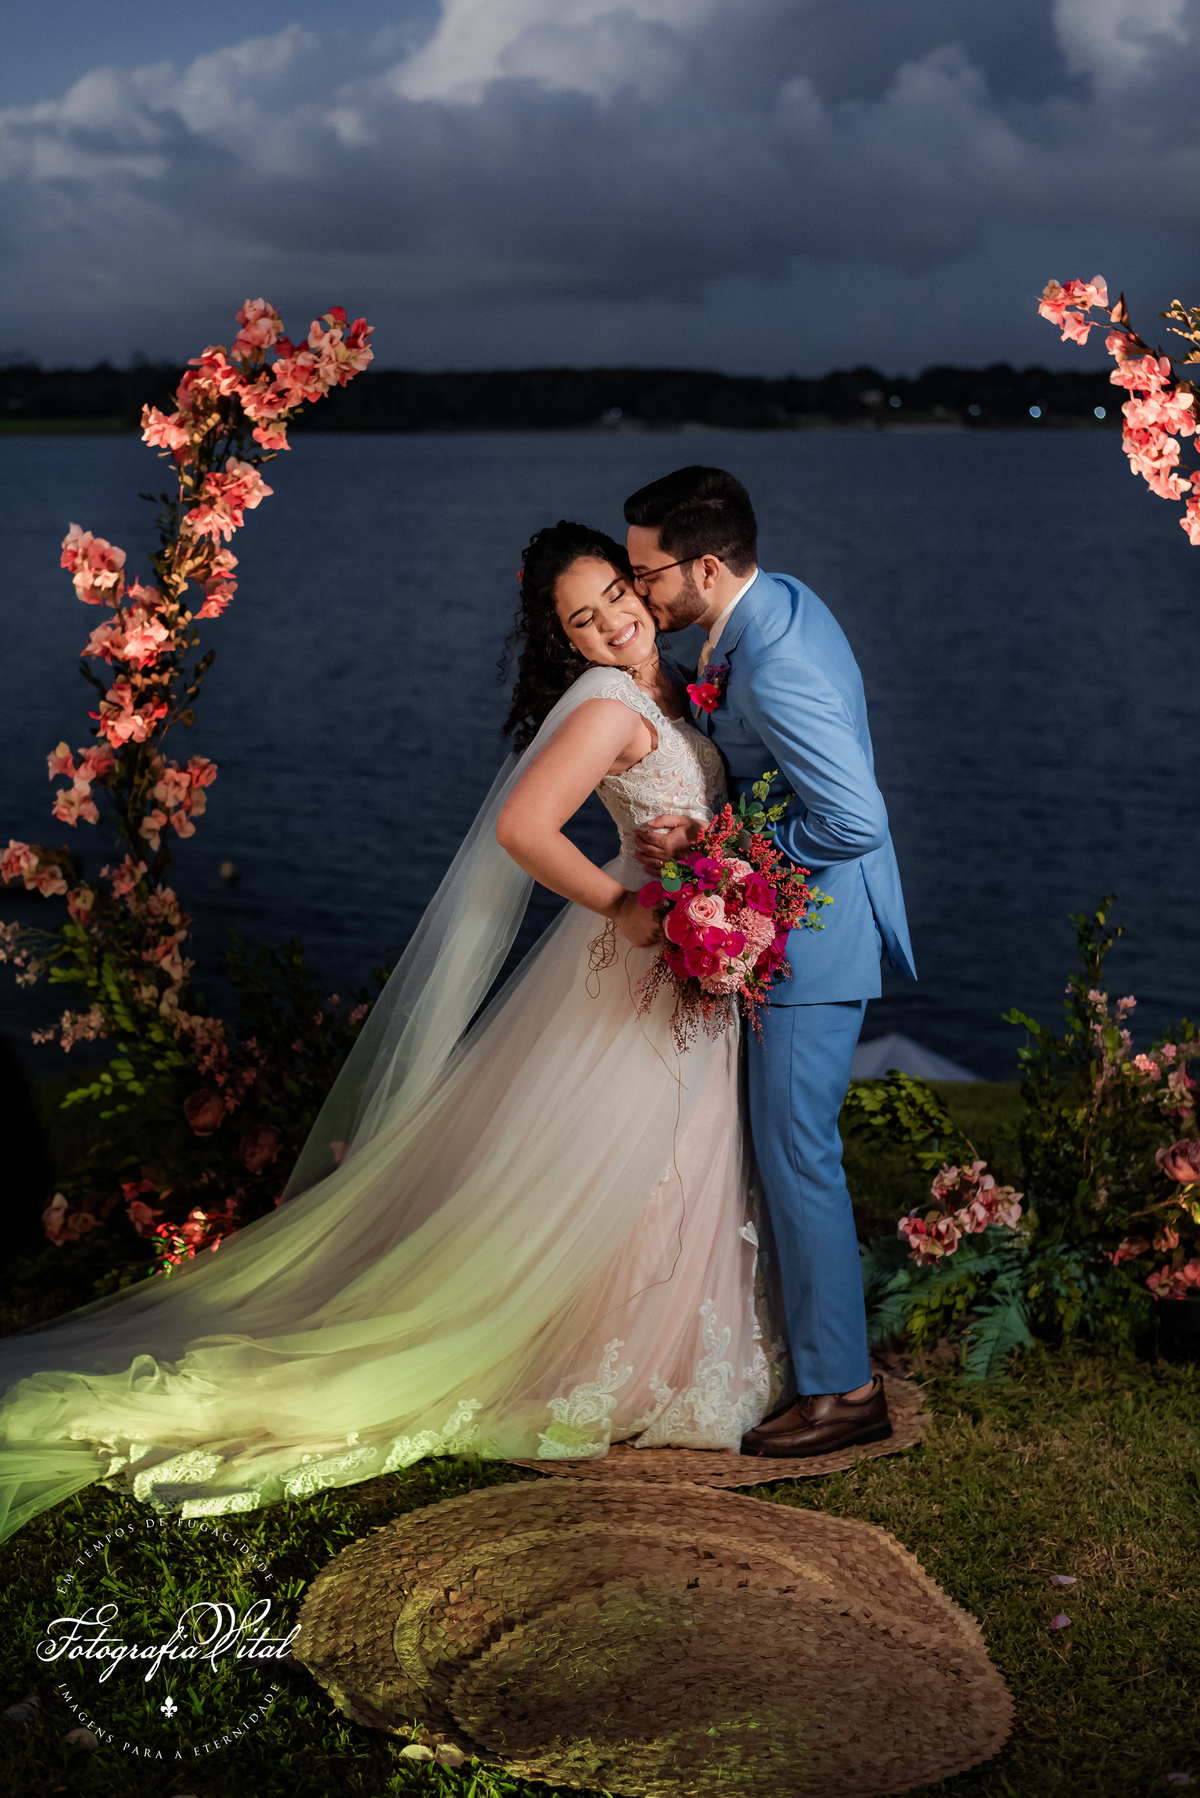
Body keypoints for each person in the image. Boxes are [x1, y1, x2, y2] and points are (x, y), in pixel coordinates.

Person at [0, 520, 784, 1542]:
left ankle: (667, 1336)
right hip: (643, 951)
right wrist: (625, 904)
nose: (608, 624)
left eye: (614, 598)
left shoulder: (674, 686)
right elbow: (522, 829)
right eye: (580, 621)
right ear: (564, 640)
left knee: (678, 1147)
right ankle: (615, 1351)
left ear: (641, 584)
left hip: (691, 945)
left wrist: (719, 868)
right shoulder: (605, 702)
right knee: (638, 1153)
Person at [624, 465, 916, 1458]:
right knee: (787, 1156)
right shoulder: (769, 605)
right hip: (801, 934)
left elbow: (853, 819)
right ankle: (813, 1363)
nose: (640, 592)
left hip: (813, 944)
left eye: (648, 574)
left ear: (706, 566)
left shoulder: (776, 661)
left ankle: (845, 1394)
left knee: (799, 1159)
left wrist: (721, 851)